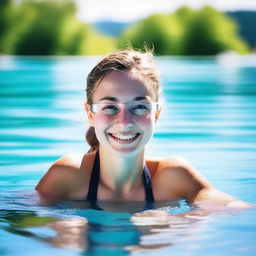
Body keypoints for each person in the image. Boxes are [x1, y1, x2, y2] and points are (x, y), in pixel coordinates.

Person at [36, 49, 252, 210]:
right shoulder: (69, 174)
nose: (125, 121)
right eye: (110, 107)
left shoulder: (173, 177)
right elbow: (18, 219)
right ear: (90, 114)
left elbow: (235, 210)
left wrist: (178, 224)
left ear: (157, 114)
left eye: (139, 107)